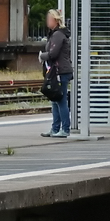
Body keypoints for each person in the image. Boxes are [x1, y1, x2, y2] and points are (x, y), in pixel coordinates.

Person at [38, 9, 73, 138]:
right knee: (55, 100)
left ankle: (65, 129)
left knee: (61, 100)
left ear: (56, 20)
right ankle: (55, 128)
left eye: (49, 19)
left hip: (60, 71)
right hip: (58, 71)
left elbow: (53, 53)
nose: (47, 21)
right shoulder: (55, 34)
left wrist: (42, 56)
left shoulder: (58, 35)